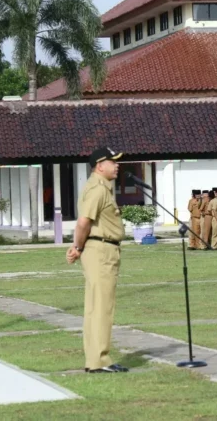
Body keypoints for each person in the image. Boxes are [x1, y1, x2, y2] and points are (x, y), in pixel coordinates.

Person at [66, 147, 129, 374]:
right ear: (100, 165)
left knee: (96, 308)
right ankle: (99, 361)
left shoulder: (101, 187)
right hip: (100, 250)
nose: (117, 165)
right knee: (102, 308)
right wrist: (77, 247)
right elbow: (84, 222)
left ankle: (95, 359)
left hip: (101, 248)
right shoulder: (98, 189)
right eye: (113, 161)